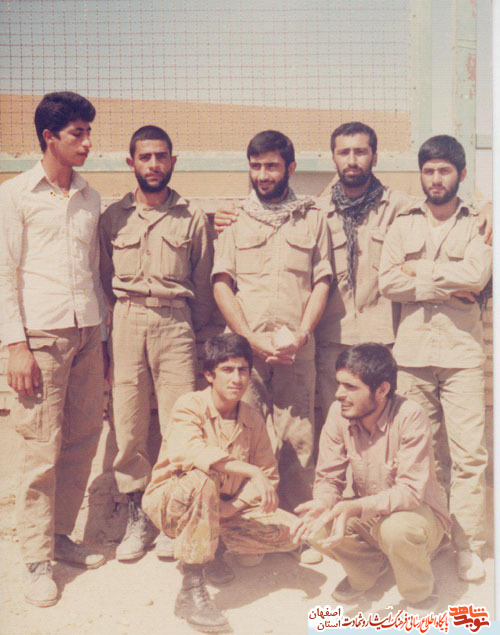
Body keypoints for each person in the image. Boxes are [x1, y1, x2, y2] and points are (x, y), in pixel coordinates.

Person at [213, 122, 492, 427]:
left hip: (385, 339)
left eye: (360, 152)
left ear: (375, 157)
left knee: (385, 428)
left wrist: (487, 208)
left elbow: (444, 202)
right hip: (333, 339)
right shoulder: (314, 212)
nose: (352, 160)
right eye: (344, 152)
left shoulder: (401, 207)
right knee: (338, 427)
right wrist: (229, 213)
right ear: (333, 158)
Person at [0, 91, 107, 607]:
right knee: (40, 449)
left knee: (82, 438)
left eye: (88, 133)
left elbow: (94, 271)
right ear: (49, 137)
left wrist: (101, 338)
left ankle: (61, 535)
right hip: (40, 338)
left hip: (88, 331)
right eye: (77, 134)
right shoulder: (15, 195)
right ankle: (36, 559)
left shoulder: (90, 196)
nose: (87, 143)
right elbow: (3, 273)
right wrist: (14, 345)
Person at [378, 135, 492, 582]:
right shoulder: (403, 224)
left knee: (469, 455)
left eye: (444, 171)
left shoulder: (478, 224)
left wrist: (419, 272)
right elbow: (388, 282)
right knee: (417, 455)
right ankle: (429, 536)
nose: (436, 179)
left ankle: (469, 545)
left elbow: (477, 275)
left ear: (461, 175)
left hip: (462, 356)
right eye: (428, 171)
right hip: (412, 357)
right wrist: (446, 286)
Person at [99, 125, 214, 562]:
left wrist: (192, 332)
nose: (153, 165)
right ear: (131, 163)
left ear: (172, 161)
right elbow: (102, 278)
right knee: (128, 423)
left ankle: (173, 515)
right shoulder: (113, 217)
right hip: (127, 320)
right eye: (145, 157)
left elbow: (203, 280)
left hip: (176, 322)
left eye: (161, 156)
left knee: (179, 423)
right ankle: (138, 516)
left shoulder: (191, 217)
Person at [211, 130, 332, 519]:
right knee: (240, 435)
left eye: (272, 166)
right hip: (243, 354)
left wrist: (302, 335)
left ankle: (298, 523)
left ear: (290, 168)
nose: (262, 175)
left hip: (296, 350)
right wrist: (248, 339)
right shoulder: (235, 219)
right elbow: (221, 284)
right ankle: (242, 522)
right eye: (256, 166)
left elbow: (322, 283)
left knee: (299, 439)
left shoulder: (312, 218)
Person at [142, 334, 298, 633]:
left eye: (243, 370)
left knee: (291, 533)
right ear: (209, 375)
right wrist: (250, 471)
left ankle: (211, 548)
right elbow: (190, 451)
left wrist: (234, 506)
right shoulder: (189, 405)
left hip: (221, 509)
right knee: (201, 481)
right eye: (227, 370)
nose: (237, 379)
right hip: (174, 504)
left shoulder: (252, 418)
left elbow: (268, 472)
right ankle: (191, 589)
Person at [292, 343, 450, 610]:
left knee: (396, 530)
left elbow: (410, 493)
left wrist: (354, 507)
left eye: (350, 387)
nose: (339, 394)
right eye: (339, 384)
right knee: (314, 523)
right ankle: (367, 569)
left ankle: (419, 591)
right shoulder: (338, 413)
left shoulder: (410, 415)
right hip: (372, 514)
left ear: (382, 389)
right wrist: (323, 502)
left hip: (417, 515)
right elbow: (329, 478)